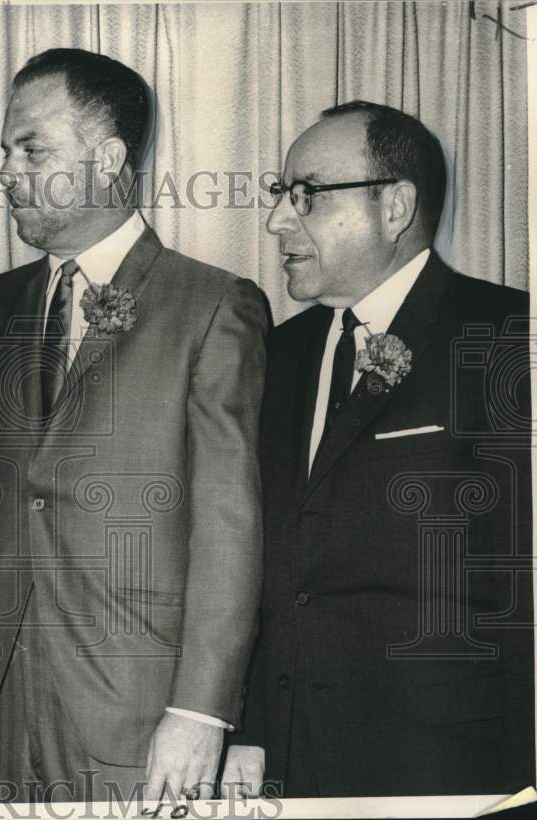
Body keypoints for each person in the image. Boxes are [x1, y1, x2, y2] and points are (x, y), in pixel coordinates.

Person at [0, 48, 267, 804]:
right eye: (5, 150)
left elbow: (230, 529)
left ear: (107, 158)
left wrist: (200, 711)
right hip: (0, 705)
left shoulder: (211, 307)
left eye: (29, 147)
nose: (5, 172)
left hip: (142, 714)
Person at [223, 101, 534, 798]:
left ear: (394, 206)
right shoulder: (277, 354)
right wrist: (252, 727)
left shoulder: (509, 337)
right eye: (280, 196)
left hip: (452, 770)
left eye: (305, 194)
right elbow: (266, 562)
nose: (277, 220)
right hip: (290, 769)